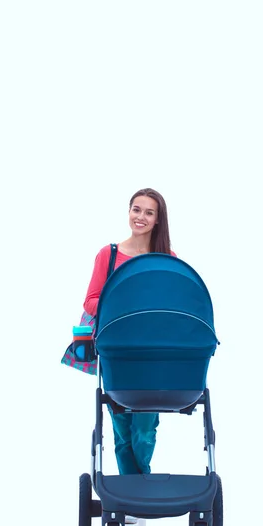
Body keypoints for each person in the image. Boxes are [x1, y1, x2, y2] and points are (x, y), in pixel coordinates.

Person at [83, 188, 176, 477]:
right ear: (129, 212)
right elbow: (91, 301)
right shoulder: (109, 255)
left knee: (144, 429)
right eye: (136, 209)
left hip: (152, 354)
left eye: (149, 212)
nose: (141, 217)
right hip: (117, 353)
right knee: (121, 430)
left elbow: (173, 303)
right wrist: (124, 303)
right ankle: (134, 494)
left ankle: (139, 485)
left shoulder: (167, 258)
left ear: (158, 220)